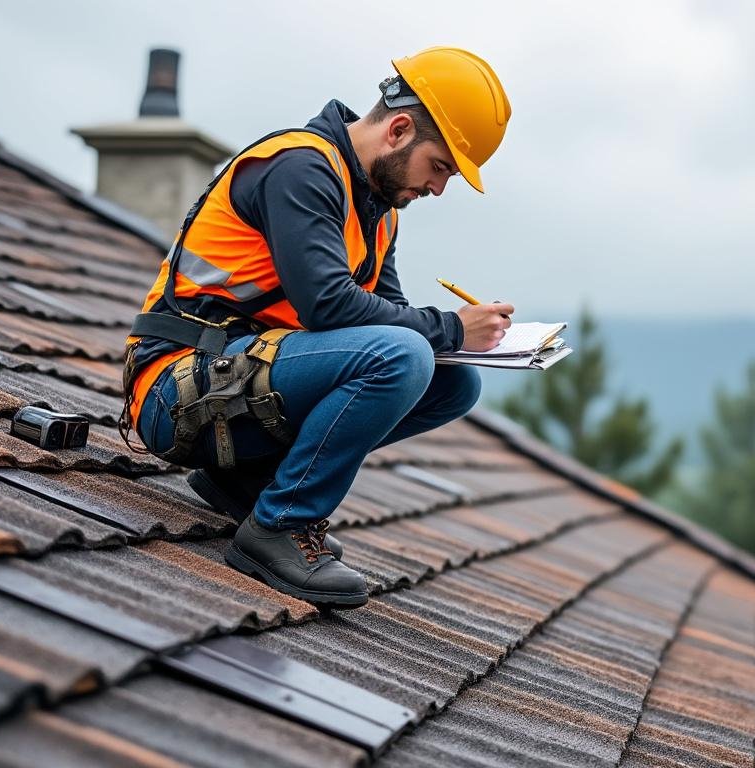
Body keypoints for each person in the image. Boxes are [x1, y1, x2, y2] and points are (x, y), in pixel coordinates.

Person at [120, 47, 513, 608]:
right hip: (175, 390)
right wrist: (451, 327)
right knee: (406, 356)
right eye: (440, 167)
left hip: (236, 385)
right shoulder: (301, 167)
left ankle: (245, 482)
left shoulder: (378, 211)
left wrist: (449, 339)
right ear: (399, 130)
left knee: (451, 381)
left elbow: (388, 314)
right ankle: (279, 526)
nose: (438, 188)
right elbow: (329, 307)